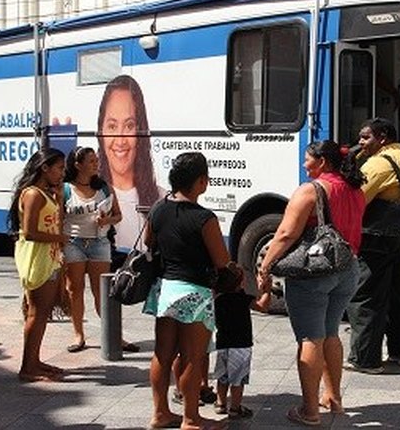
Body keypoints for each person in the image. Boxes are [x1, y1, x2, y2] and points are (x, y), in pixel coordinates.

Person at [258, 140, 365, 426]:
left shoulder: (312, 191)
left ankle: (310, 410)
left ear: (322, 162)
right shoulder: (355, 189)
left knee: (309, 337)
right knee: (330, 333)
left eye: (308, 159)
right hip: (348, 268)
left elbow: (285, 234)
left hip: (315, 273)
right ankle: (333, 398)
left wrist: (266, 265)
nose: (305, 165)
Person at [143, 152, 233, 430]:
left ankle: (160, 414)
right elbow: (221, 261)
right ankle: (191, 419)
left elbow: (150, 241)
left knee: (162, 354)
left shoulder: (158, 208)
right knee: (193, 357)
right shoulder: (204, 218)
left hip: (165, 290)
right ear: (202, 181)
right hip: (194, 292)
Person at [346, 118, 400, 373]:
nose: (360, 142)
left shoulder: (378, 165)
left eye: (365, 137)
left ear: (382, 137)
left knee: (367, 294)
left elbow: (357, 200)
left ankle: (365, 359)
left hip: (381, 236)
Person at [61, 146, 139, 353]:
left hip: (99, 243)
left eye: (96, 161)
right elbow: (59, 218)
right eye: (92, 161)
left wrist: (106, 220)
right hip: (74, 243)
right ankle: (78, 335)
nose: (96, 164)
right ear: (78, 165)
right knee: (74, 289)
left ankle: (114, 335)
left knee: (102, 291)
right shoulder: (65, 189)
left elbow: (118, 215)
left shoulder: (104, 188)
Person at [8, 147, 69, 383]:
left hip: (50, 256)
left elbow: (55, 221)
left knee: (43, 314)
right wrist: (60, 239)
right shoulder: (32, 194)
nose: (62, 173)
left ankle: (34, 360)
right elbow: (30, 232)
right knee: (37, 312)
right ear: (45, 168)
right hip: (38, 257)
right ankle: (28, 366)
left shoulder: (47, 193)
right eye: (59, 168)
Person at [96, 75, 163, 251]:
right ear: (100, 131)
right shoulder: (92, 193)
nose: (120, 140)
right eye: (112, 126)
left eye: (129, 126)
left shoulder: (162, 199)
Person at [212, 275, 270, 420]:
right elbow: (262, 306)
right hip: (241, 345)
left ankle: (221, 403)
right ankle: (235, 408)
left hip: (223, 344)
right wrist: (267, 291)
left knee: (222, 376)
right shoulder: (244, 299)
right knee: (238, 379)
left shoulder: (218, 299)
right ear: (240, 283)